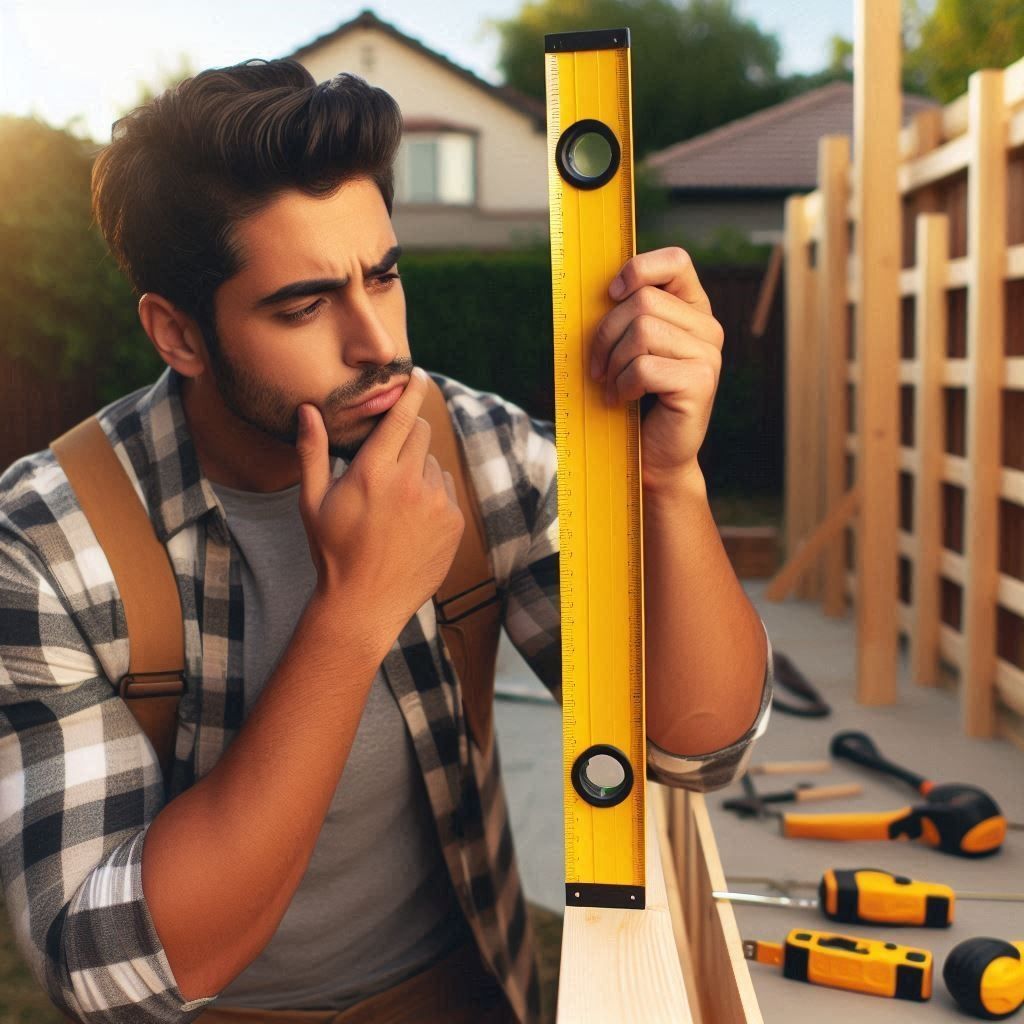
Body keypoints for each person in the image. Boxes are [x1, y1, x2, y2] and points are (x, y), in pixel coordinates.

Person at [0, 59, 773, 1024]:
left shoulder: (480, 449)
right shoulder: (48, 541)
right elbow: (109, 972)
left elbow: (696, 748)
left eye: (385, 274)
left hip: (454, 993)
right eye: (304, 305)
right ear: (178, 334)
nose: (378, 343)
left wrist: (669, 481)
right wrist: (354, 611)